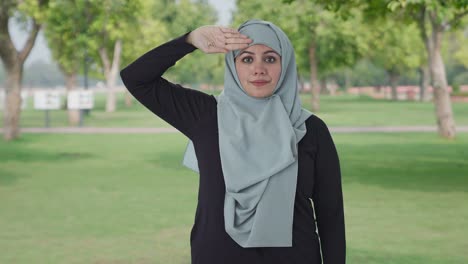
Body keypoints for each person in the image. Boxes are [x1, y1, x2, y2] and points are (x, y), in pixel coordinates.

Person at [120, 19, 345, 264]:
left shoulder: (311, 129)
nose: (258, 69)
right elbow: (136, 78)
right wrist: (190, 40)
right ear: (232, 64)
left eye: (270, 59)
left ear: (286, 64)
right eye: (247, 59)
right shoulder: (205, 115)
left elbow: (330, 214)